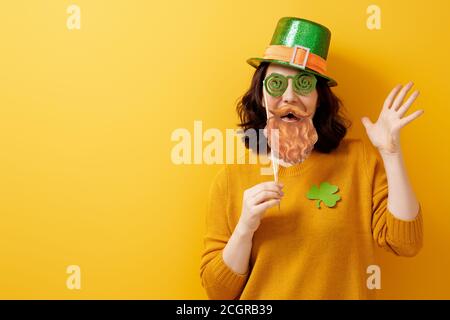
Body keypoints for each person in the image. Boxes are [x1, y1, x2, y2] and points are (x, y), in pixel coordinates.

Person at [199, 17, 424, 300]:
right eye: (277, 84)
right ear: (261, 95)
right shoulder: (231, 179)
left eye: (304, 84)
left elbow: (406, 243)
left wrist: (391, 154)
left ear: (319, 98)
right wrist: (244, 228)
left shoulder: (358, 161)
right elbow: (218, 293)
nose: (289, 96)